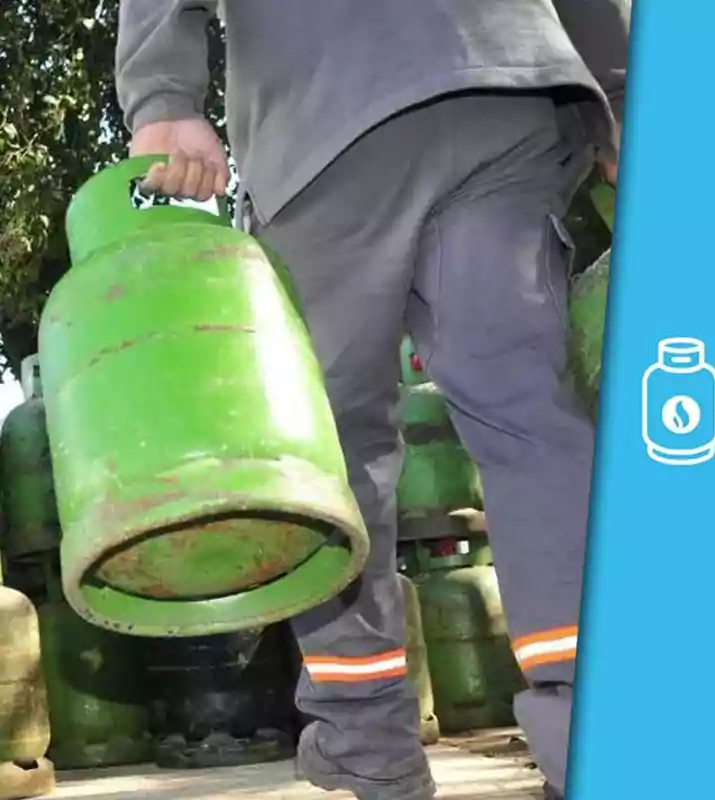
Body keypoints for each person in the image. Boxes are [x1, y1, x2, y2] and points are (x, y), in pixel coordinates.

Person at [114, 2, 628, 798]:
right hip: (504, 85)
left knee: (334, 462)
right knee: (529, 419)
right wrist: (622, 89)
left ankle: (366, 748)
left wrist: (163, 100)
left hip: (326, 109)